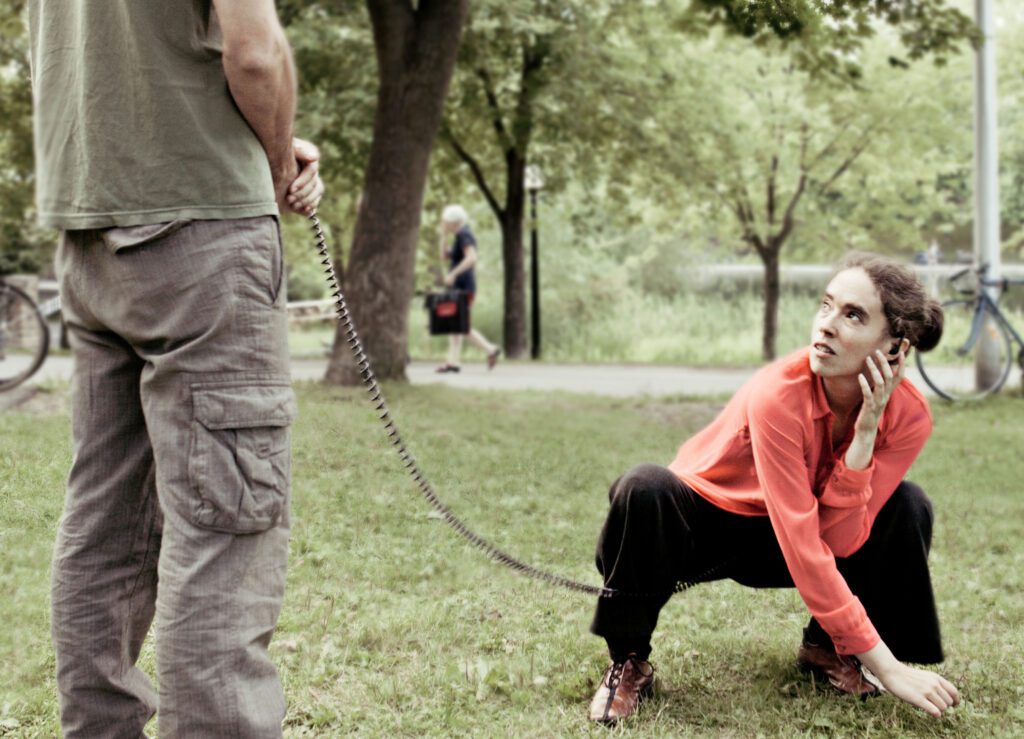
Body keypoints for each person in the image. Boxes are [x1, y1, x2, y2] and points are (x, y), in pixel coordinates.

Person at [27, 0, 324, 735]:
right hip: (202, 223)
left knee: (104, 520)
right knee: (225, 523)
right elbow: (255, 54)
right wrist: (279, 159)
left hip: (89, 223)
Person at [587, 252, 960, 724]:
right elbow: (803, 545)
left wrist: (865, 437)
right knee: (644, 485)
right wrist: (888, 667)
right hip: (712, 526)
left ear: (894, 348)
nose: (826, 325)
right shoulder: (779, 394)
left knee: (908, 503)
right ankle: (628, 659)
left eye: (853, 315)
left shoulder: (908, 417)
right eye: (826, 306)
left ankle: (829, 646)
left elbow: (842, 541)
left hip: (797, 534)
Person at [435, 205, 501, 373]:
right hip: (459, 286)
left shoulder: (465, 234)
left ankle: (490, 349)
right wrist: (443, 235)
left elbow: (472, 258)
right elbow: (444, 256)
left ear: (453, 221)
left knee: (460, 325)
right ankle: (453, 362)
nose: (443, 223)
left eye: (445, 221)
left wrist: (453, 274)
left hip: (464, 286)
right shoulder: (458, 236)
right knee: (455, 325)